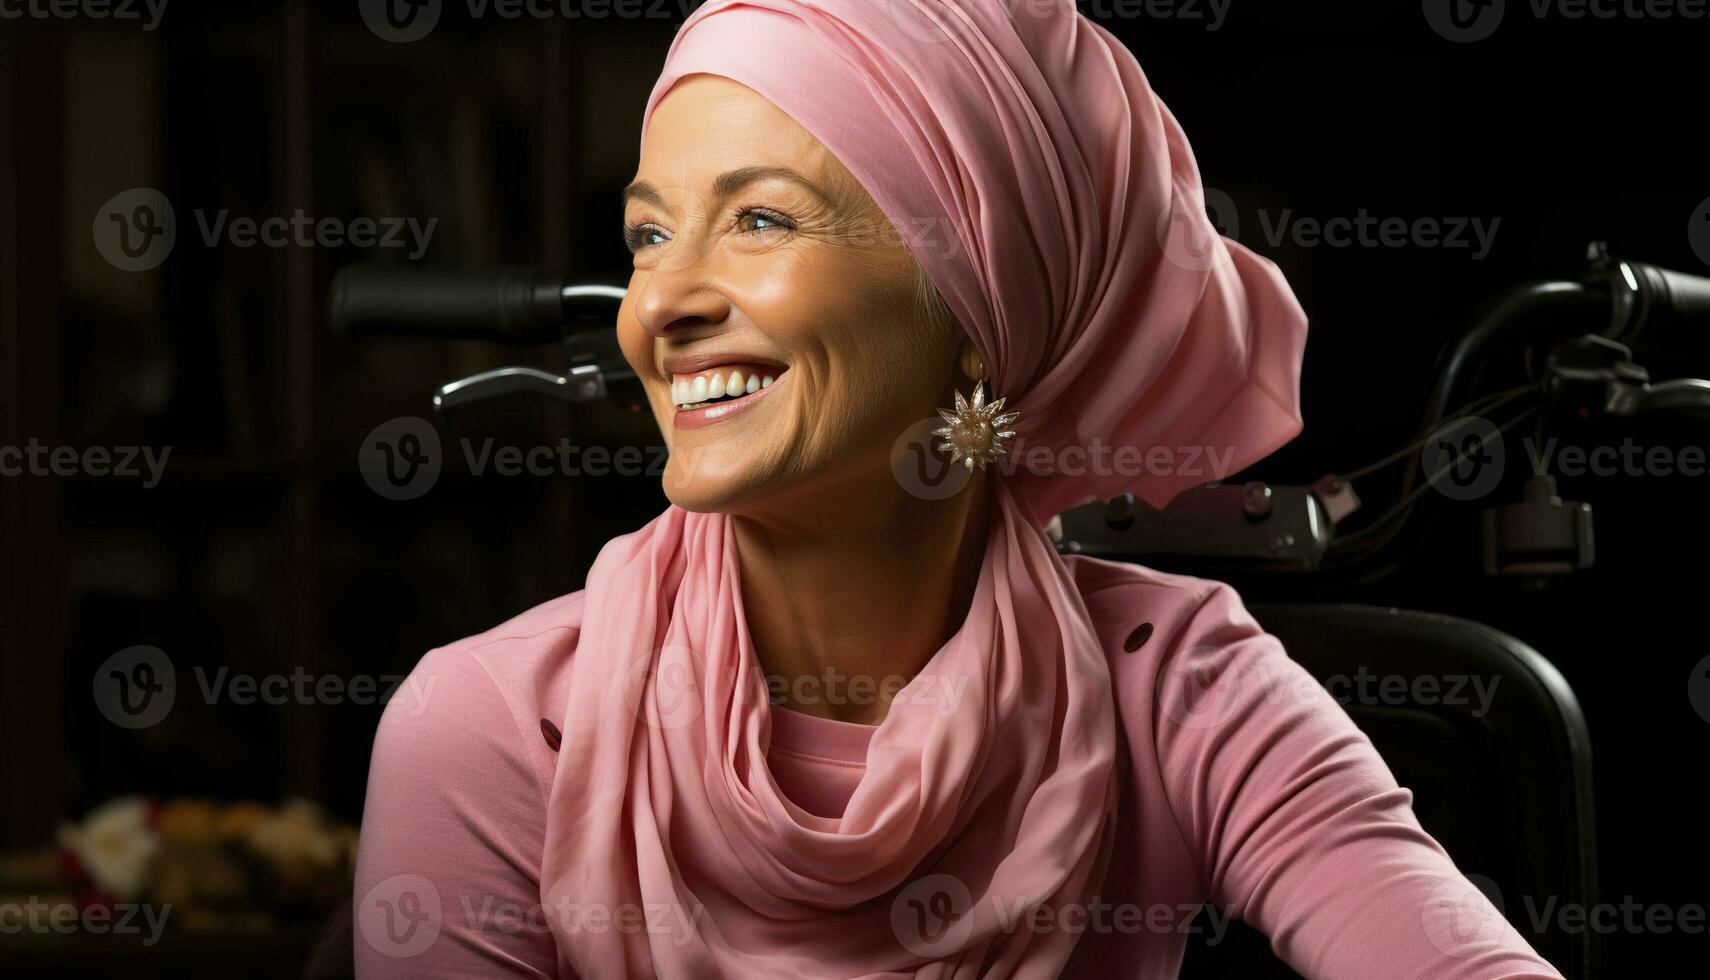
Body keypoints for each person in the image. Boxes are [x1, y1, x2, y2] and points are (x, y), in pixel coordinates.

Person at [355, 1, 1565, 976]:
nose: (661, 306)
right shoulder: (493, 725)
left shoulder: (1175, 679)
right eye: (650, 235)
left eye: (761, 219)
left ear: (979, 310)